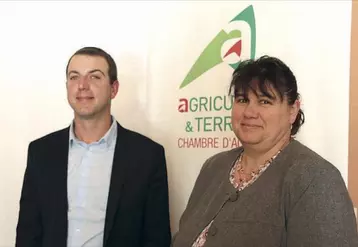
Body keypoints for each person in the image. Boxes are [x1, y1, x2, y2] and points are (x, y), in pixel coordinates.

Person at [171, 55, 358, 247]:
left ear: (293, 110)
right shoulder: (213, 167)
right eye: (242, 100)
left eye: (265, 101)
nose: (250, 112)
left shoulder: (315, 178)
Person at [15, 47, 171, 247]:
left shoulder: (147, 156)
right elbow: (28, 234)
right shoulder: (41, 152)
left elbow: (156, 238)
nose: (82, 85)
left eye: (94, 77)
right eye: (74, 77)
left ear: (113, 89)